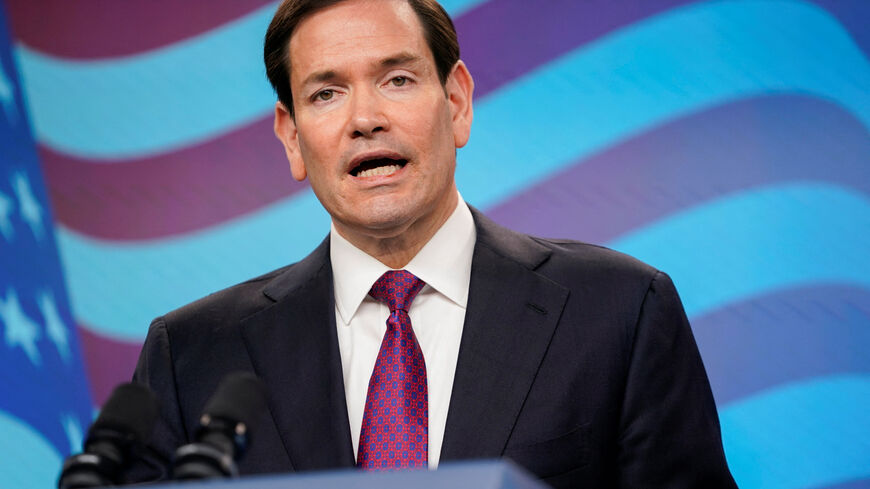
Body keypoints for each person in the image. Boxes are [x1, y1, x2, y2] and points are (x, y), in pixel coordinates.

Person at [132, 0, 738, 487]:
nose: (364, 118)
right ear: (292, 137)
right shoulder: (192, 356)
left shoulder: (618, 310)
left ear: (457, 101)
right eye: (325, 93)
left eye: (396, 79)